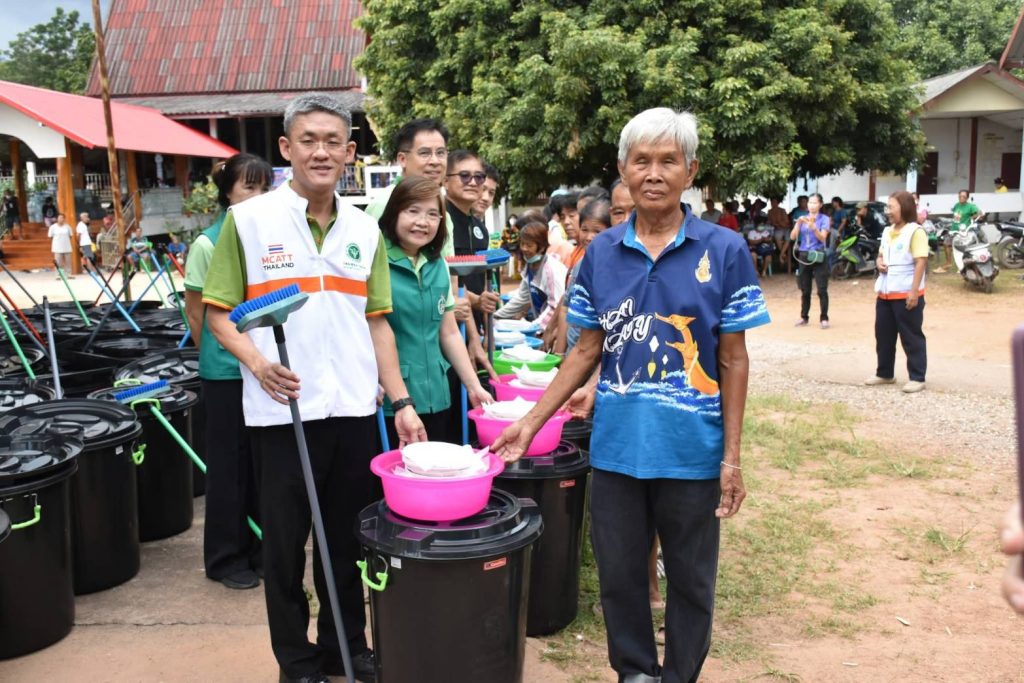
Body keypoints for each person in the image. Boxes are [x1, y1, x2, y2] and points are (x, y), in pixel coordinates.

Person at [493, 107, 770, 683]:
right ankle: (635, 673)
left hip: (693, 451)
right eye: (641, 160)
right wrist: (532, 419)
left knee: (692, 581)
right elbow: (586, 350)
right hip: (618, 448)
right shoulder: (600, 253)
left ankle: (680, 675)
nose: (653, 172)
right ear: (623, 168)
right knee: (620, 576)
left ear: (690, 171)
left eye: (668, 160)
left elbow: (733, 358)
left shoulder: (723, 250)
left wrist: (732, 457)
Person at [203, 92, 426, 683]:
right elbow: (218, 311)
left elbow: (376, 320)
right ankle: (296, 661)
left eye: (333, 142)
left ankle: (344, 648)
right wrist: (257, 361)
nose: (321, 152)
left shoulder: (364, 230)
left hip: (352, 409)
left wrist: (399, 400)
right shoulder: (248, 223)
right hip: (283, 414)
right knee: (284, 548)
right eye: (309, 140)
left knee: (348, 542)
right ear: (286, 149)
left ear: (350, 153)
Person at [184, 153, 273, 592]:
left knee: (262, 465)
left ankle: (260, 549)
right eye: (248, 187)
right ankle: (224, 557)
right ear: (227, 193)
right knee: (228, 466)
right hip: (225, 373)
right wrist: (220, 360)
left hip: (267, 369)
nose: (257, 197)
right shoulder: (207, 243)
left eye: (264, 188)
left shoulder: (269, 238)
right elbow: (198, 317)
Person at [377, 175, 493, 445]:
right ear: (394, 213)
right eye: (412, 211)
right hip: (393, 402)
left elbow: (450, 333)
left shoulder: (437, 263)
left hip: (437, 396)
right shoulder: (377, 261)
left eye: (432, 214)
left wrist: (473, 385)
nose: (422, 222)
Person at [865, 191, 928, 394]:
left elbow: (921, 262)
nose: (888, 211)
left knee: (911, 336)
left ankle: (917, 377)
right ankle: (885, 373)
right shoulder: (886, 231)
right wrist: (878, 262)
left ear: (905, 208)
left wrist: (914, 292)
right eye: (887, 207)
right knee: (883, 335)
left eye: (891, 207)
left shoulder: (915, 231)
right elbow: (881, 254)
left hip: (905, 293)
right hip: (885, 293)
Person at [554, 198, 612, 354]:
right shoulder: (581, 263)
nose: (589, 237)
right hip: (572, 352)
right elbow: (566, 308)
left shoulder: (613, 269)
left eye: (597, 231)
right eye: (584, 229)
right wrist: (559, 355)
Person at [495, 220, 567, 334]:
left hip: (556, 330)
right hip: (541, 326)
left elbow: (555, 306)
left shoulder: (551, 270)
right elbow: (522, 298)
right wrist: (496, 316)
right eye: (522, 244)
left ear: (542, 248)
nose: (524, 249)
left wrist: (533, 329)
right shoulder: (529, 266)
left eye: (529, 245)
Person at [791, 193, 832, 329]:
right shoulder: (803, 218)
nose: (811, 205)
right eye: (810, 202)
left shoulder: (824, 219)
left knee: (821, 289)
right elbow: (792, 237)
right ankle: (804, 317)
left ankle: (824, 318)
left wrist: (814, 228)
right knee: (805, 289)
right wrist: (798, 224)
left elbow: (822, 238)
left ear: (820, 205)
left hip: (818, 255)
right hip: (804, 255)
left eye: (815, 203)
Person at [938, 190, 982, 273]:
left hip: (963, 231)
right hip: (954, 229)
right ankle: (948, 263)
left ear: (967, 198)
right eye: (960, 196)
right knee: (946, 244)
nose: (961, 198)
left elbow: (979, 214)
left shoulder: (970, 206)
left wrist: (972, 218)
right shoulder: (956, 205)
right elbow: (956, 216)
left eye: (964, 196)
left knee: (962, 249)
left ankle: (963, 266)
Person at [767, 197, 791, 272]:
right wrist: (776, 224)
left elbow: (786, 221)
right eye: (772, 202)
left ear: (778, 203)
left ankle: (781, 255)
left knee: (788, 238)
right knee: (777, 237)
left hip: (785, 228)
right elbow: (770, 221)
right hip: (777, 229)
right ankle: (783, 254)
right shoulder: (770, 211)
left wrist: (779, 224)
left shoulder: (782, 210)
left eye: (775, 202)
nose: (773, 204)